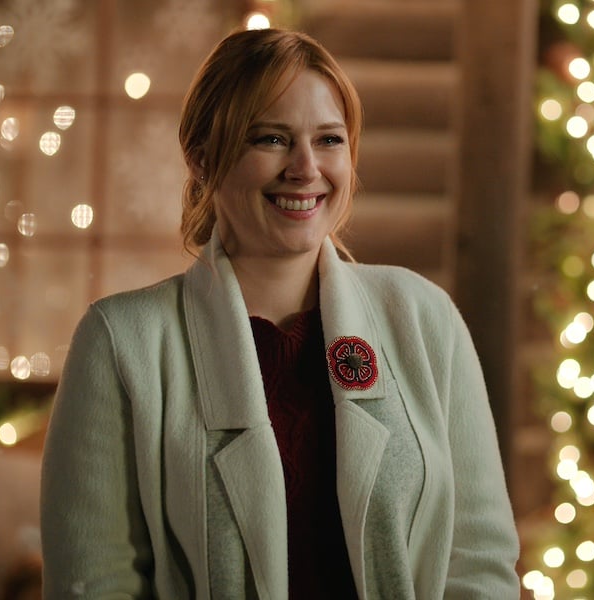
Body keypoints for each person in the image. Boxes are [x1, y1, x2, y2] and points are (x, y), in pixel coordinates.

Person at [40, 27, 519, 599]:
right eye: (270, 138)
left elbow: (479, 561)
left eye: (329, 140)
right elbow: (92, 584)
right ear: (201, 157)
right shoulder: (121, 342)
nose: (305, 168)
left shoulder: (423, 318)